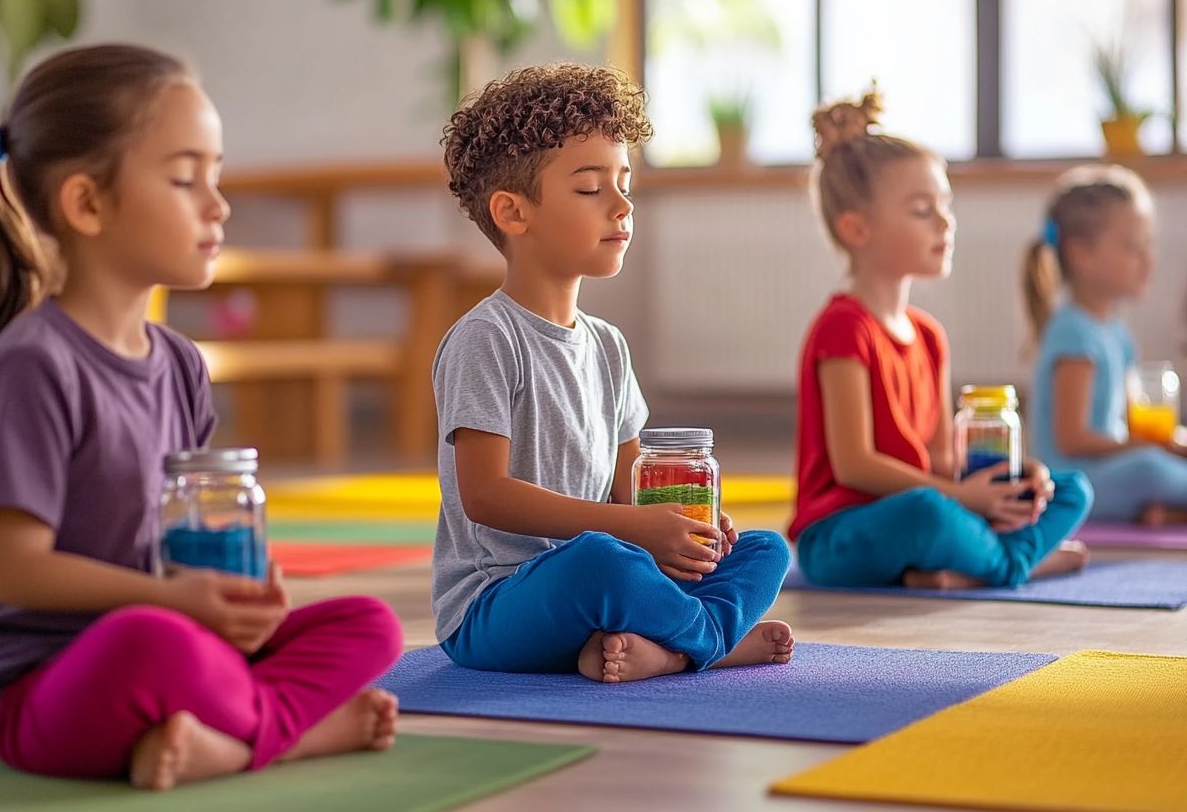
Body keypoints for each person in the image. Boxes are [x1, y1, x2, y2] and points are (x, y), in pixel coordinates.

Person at [0, 44, 402, 790]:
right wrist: (168, 601)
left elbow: (186, 535)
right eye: (185, 178)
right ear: (87, 204)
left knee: (370, 624)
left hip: (178, 640)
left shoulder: (181, 363)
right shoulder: (31, 365)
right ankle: (288, 737)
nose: (218, 205)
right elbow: (13, 569)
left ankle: (218, 734)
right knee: (151, 643)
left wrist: (247, 591)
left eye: (216, 175)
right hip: (46, 690)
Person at [433, 63, 793, 683]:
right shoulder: (485, 339)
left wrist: (687, 525)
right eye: (591, 188)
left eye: (624, 182)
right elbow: (484, 496)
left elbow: (632, 486)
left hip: (604, 586)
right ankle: (710, 642)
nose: (623, 205)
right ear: (514, 213)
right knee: (602, 560)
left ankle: (672, 645)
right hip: (496, 605)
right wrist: (633, 528)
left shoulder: (608, 346)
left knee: (768, 549)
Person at [790, 86, 1092, 589]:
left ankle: (969, 565)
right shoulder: (843, 328)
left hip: (933, 506)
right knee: (928, 512)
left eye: (945, 205)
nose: (945, 222)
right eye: (922, 210)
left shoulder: (929, 336)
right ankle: (1015, 564)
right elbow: (855, 465)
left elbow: (939, 458)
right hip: (843, 532)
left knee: (1069, 489)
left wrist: (1011, 476)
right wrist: (961, 498)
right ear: (857, 229)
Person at [1023, 164, 1187, 524]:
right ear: (1081, 254)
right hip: (1073, 480)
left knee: (1160, 460)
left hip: (1108, 469)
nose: (1148, 258)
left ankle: (1169, 513)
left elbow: (1127, 424)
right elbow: (1072, 439)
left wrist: (1168, 440)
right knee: (1150, 468)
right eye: (1133, 246)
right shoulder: (1073, 332)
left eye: (1149, 245)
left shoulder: (1116, 333)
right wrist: (1151, 446)